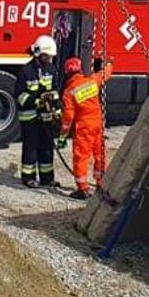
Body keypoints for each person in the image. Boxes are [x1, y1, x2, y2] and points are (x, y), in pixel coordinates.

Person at [59, 56, 111, 200]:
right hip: (97, 124)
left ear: (67, 73)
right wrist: (109, 63)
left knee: (81, 157)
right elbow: (105, 74)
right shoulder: (91, 81)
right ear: (80, 69)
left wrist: (62, 136)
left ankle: (83, 189)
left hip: (84, 127)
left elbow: (68, 118)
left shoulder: (69, 91)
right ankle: (101, 182)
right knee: (99, 154)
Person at [16, 35, 62, 188]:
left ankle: (47, 178)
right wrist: (37, 101)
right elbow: (20, 96)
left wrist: (57, 108)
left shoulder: (51, 69)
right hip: (29, 117)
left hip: (46, 116)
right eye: (46, 56)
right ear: (39, 53)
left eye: (50, 57)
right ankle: (28, 177)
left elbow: (55, 90)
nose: (49, 59)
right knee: (31, 147)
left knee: (47, 148)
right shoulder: (26, 71)